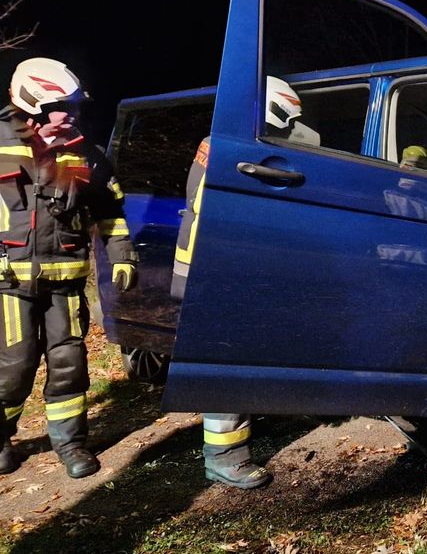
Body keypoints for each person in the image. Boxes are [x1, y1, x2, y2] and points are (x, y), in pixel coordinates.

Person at [171, 76, 313, 489]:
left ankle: (259, 418)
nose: (286, 130)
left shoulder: (225, 146)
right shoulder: (227, 151)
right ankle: (224, 457)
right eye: (283, 120)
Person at [0, 57, 138, 478]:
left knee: (68, 364)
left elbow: (110, 213)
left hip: (66, 285)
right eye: (62, 107)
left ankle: (71, 443)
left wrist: (123, 257)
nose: (71, 115)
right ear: (34, 104)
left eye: (75, 108)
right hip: (8, 284)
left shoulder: (87, 157)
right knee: (14, 366)